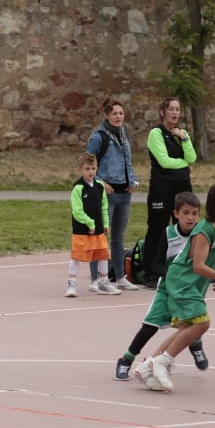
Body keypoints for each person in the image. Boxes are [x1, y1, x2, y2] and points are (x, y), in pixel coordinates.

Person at [131, 183, 215, 393]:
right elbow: (198, 265)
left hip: (192, 281)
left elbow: (214, 254)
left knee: (187, 328)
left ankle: (148, 365)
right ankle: (163, 362)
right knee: (202, 323)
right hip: (182, 279)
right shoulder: (204, 230)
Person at [114, 192, 215, 380]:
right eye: (186, 213)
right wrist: (173, 277)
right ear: (176, 214)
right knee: (150, 325)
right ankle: (126, 359)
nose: (191, 217)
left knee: (193, 322)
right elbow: (155, 263)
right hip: (167, 287)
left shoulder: (202, 233)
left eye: (195, 213)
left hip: (190, 288)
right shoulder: (168, 234)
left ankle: (195, 346)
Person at [85, 99, 141, 289]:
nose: (118, 117)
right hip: (106, 194)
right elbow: (87, 162)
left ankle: (119, 277)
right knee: (101, 236)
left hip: (124, 193)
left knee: (119, 238)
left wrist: (133, 180)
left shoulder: (124, 134)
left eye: (121, 113)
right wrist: (100, 181)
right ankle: (96, 279)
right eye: (115, 113)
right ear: (106, 115)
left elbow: (127, 162)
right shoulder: (99, 137)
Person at [140, 97, 197, 287]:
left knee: (184, 227)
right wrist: (183, 164)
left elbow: (192, 157)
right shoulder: (156, 133)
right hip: (161, 186)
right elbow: (164, 161)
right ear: (163, 112)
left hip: (182, 186)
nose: (175, 113)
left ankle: (181, 268)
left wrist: (185, 139)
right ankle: (150, 271)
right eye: (171, 109)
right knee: (157, 228)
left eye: (178, 109)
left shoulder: (181, 134)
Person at [65, 152, 121, 298]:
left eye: (93, 168)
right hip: (81, 230)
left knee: (103, 255)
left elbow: (104, 207)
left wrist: (106, 223)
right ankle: (71, 285)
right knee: (76, 256)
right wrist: (89, 223)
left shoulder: (100, 187)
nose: (91, 172)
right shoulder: (78, 188)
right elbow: (77, 211)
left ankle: (103, 283)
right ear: (81, 170)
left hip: (98, 230)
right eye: (87, 169)